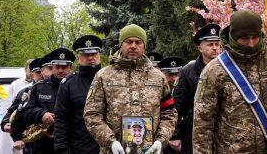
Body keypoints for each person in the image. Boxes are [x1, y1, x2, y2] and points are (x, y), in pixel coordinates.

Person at [192, 10, 267, 154]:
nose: (251, 43)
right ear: (233, 37)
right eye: (245, 38)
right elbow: (203, 123)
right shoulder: (215, 70)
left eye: (255, 37)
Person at [84, 24, 177, 154]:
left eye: (138, 42)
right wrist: (110, 141)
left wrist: (161, 140)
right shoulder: (103, 76)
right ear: (121, 44)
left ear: (144, 46)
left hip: (150, 151)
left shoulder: (158, 77)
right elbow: (92, 114)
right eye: (129, 42)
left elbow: (169, 113)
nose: (133, 46)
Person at [170, 23, 221, 154]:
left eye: (217, 44)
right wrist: (175, 135)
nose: (215, 48)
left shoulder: (228, 70)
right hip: (193, 134)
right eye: (210, 45)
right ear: (200, 48)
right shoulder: (188, 71)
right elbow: (177, 104)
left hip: (222, 133)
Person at [54, 35, 104, 154]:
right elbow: (61, 119)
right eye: (86, 54)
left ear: (99, 55)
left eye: (94, 54)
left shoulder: (111, 79)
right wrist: (62, 150)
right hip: (80, 148)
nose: (91, 57)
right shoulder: (69, 84)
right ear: (78, 57)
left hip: (110, 147)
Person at [20, 48, 76, 153]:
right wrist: (41, 114)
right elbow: (26, 111)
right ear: (52, 67)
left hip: (72, 143)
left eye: (64, 67)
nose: (60, 70)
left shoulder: (78, 86)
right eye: (57, 67)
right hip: (44, 145)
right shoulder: (38, 87)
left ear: (71, 68)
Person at [12, 56, 53, 152]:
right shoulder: (28, 90)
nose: (40, 76)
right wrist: (17, 137)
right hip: (36, 142)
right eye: (38, 72)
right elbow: (17, 114)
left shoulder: (67, 86)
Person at [0, 58, 35, 154]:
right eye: (30, 70)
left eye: (34, 71)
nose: (32, 74)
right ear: (25, 70)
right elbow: (9, 105)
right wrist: (7, 121)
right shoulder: (16, 84)